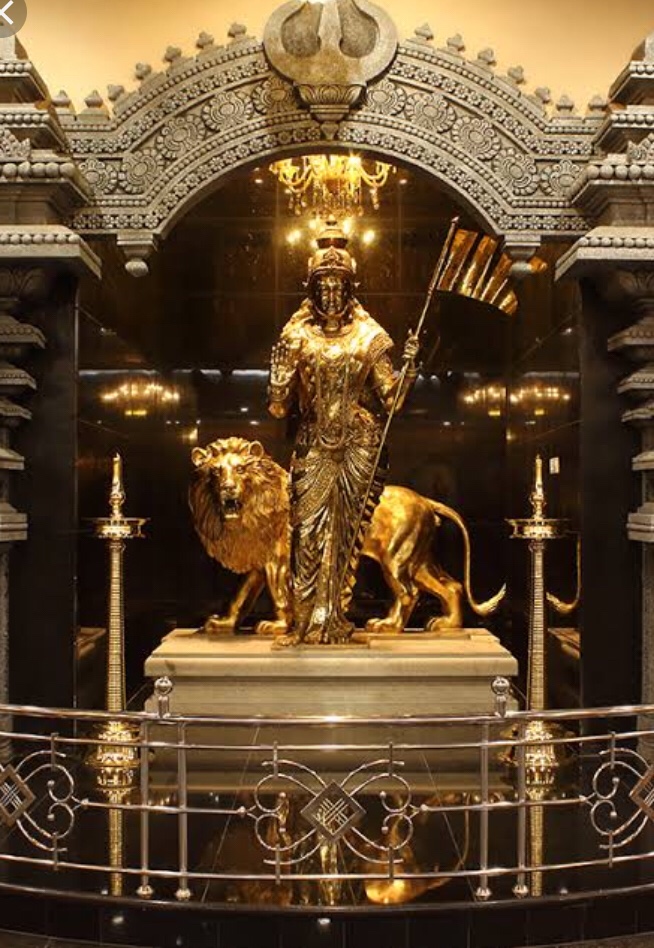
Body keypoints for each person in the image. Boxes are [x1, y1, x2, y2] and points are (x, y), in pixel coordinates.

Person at [268, 220, 419, 645]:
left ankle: (333, 618)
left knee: (346, 537)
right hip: (313, 446)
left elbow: (391, 400)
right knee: (307, 533)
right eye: (324, 287)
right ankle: (304, 622)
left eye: (338, 286)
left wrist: (408, 370)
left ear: (350, 289)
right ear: (313, 290)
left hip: (358, 446)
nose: (331, 295)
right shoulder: (295, 336)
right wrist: (278, 380)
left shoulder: (370, 337)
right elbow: (278, 407)